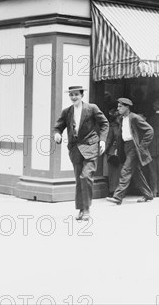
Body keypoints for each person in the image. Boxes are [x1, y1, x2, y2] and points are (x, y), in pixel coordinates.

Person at [53, 86, 109, 221]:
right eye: (71, 95)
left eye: (76, 94)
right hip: (75, 150)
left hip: (90, 147)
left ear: (82, 95)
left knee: (86, 176)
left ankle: (87, 209)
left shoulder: (92, 108)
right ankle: (80, 209)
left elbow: (104, 123)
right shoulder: (67, 112)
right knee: (79, 180)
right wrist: (57, 134)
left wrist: (102, 141)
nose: (73, 97)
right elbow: (58, 126)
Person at [106, 98, 155, 205]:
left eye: (120, 106)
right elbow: (121, 135)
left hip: (134, 147)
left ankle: (118, 197)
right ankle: (148, 194)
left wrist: (142, 147)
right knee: (136, 173)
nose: (118, 108)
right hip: (126, 147)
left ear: (127, 107)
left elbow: (150, 130)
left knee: (126, 170)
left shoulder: (135, 117)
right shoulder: (121, 119)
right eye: (118, 106)